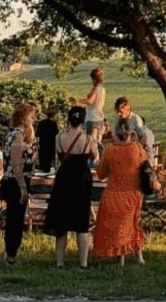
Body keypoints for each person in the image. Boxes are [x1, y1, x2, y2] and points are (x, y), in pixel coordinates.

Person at [43, 105, 98, 269]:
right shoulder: (88, 139)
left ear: (68, 119)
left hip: (64, 179)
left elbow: (56, 158)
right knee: (82, 223)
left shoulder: (59, 138)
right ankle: (83, 263)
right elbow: (95, 158)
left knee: (62, 223)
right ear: (83, 121)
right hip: (81, 180)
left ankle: (60, 262)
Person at [93, 122, 147, 266]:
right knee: (134, 224)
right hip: (134, 193)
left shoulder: (110, 150)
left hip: (113, 193)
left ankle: (120, 257)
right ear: (130, 134)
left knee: (116, 226)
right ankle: (138, 256)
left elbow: (101, 175)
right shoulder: (138, 149)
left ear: (115, 134)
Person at [0, 102, 36, 265]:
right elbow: (16, 165)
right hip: (16, 183)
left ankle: (9, 253)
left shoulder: (10, 134)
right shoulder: (18, 137)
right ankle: (12, 255)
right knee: (16, 221)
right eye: (31, 116)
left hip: (10, 181)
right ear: (23, 118)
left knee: (13, 219)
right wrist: (23, 187)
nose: (33, 120)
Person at [78, 67, 106, 140]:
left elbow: (90, 101)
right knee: (97, 141)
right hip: (99, 117)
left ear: (94, 79)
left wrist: (78, 101)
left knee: (90, 142)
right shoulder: (102, 89)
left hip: (92, 118)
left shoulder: (96, 89)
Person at [37, 104, 60, 172]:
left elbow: (37, 134)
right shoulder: (54, 124)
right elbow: (57, 136)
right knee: (49, 167)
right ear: (54, 115)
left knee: (42, 166)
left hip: (42, 147)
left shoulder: (41, 123)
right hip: (51, 148)